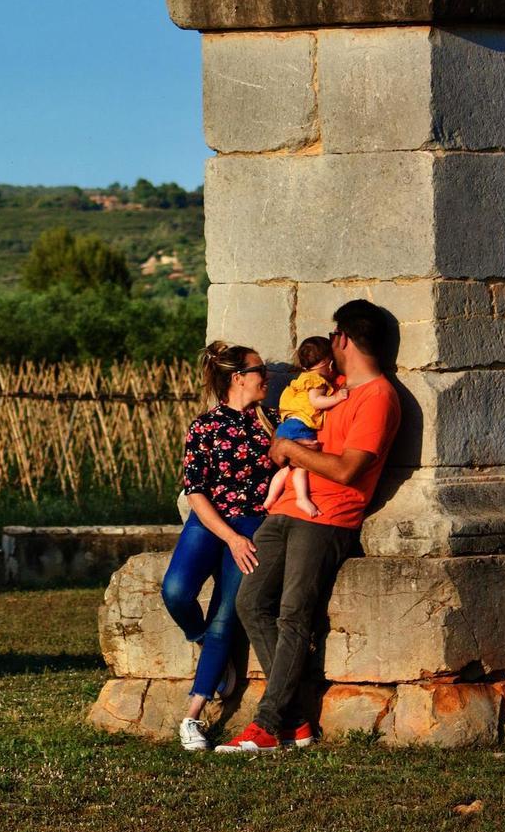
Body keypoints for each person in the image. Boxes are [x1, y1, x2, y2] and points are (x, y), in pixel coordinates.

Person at [218, 299, 401, 754]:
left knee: (295, 614)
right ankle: (296, 720)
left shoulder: (379, 397)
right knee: (251, 601)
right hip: (285, 510)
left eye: (332, 339)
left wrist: (288, 450)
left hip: (328, 518)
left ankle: (266, 724)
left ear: (342, 339)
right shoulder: (331, 385)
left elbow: (346, 470)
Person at [161, 340, 273, 752]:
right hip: (211, 522)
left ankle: (193, 715)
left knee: (226, 616)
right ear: (237, 377)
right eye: (260, 369)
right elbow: (196, 491)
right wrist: (230, 535)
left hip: (255, 524)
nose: (268, 376)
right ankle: (206, 644)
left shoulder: (271, 422)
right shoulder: (204, 427)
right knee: (175, 591)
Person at [262, 335, 348, 518]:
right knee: (303, 463)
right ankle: (302, 498)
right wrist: (337, 398)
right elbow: (316, 402)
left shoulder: (300, 379)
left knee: (286, 469)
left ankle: (270, 498)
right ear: (329, 363)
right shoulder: (316, 381)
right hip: (300, 426)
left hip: (287, 425)